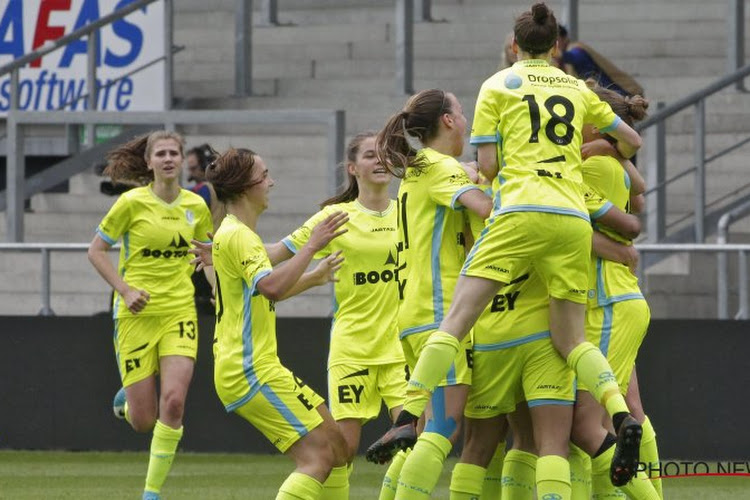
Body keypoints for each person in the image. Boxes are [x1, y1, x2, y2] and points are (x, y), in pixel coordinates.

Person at [368, 3, 644, 495]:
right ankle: (620, 416)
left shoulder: (497, 86)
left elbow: (490, 165)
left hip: (518, 216)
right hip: (571, 222)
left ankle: (408, 412)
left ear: (515, 46)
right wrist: (584, 154)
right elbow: (630, 139)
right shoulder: (578, 88)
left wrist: (520, 167)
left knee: (457, 324)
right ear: (556, 46)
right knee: (572, 343)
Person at [365, 88, 493, 500]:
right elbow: (486, 209)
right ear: (449, 121)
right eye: (462, 112)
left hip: (416, 313)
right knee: (442, 428)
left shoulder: (420, 167)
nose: (468, 120)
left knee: (419, 429)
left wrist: (472, 171)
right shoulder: (439, 169)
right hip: (440, 314)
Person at [206, 147, 352, 500]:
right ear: (245, 187)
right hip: (249, 369)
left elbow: (265, 287)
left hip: (256, 366)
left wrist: (314, 278)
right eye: (264, 175)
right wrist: (311, 245)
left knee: (338, 450)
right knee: (317, 457)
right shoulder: (238, 235)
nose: (271, 182)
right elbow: (270, 287)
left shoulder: (238, 234)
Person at [273, 132, 409, 491]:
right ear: (353, 168)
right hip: (354, 347)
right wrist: (227, 248)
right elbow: (280, 252)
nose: (379, 160)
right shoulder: (336, 217)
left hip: (401, 348)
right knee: (344, 450)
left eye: (384, 153)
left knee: (414, 442)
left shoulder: (410, 210)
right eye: (369, 155)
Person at [87, 130, 214, 500]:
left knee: (173, 402)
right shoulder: (131, 203)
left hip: (178, 310)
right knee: (143, 421)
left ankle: (151, 493)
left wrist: (221, 293)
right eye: (161, 153)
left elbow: (207, 255)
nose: (169, 158)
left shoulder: (197, 206)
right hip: (136, 314)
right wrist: (125, 291)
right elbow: (96, 251)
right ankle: (127, 399)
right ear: (149, 162)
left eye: (174, 152)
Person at [573, 84, 663, 499]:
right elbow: (640, 197)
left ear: (594, 124)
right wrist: (616, 153)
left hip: (606, 300)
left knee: (591, 427)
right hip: (618, 297)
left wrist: (619, 249)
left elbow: (570, 229)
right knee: (631, 411)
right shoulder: (607, 161)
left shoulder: (588, 167)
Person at [558, 24, 644, 98]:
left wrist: (557, 54)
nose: (555, 45)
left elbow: (576, 57)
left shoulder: (575, 48)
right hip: (609, 96)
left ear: (563, 37)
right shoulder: (565, 56)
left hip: (620, 94)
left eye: (556, 41)